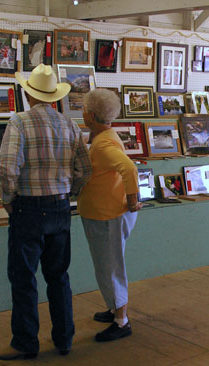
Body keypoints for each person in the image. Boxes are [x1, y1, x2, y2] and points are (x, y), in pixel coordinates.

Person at [0, 64, 92, 360]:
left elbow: (8, 167)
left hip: (28, 210)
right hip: (59, 208)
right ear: (53, 96)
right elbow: (84, 170)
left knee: (24, 279)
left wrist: (8, 199)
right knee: (59, 276)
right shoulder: (69, 125)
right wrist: (68, 191)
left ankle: (25, 343)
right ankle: (64, 339)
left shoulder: (19, 122)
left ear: (28, 94)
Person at [77, 88, 142, 342]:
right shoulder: (103, 135)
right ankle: (114, 307)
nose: (82, 113)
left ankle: (121, 320)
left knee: (111, 266)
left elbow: (128, 167)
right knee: (105, 265)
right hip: (102, 213)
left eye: (83, 110)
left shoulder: (103, 143)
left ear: (91, 115)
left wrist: (132, 199)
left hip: (109, 215)